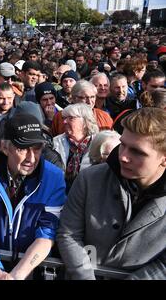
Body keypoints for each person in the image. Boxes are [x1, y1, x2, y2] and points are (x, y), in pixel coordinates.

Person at [57, 108, 166, 280]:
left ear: (164, 158)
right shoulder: (90, 178)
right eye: (123, 144)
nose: (123, 156)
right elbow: (69, 234)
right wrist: (85, 276)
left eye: (137, 152)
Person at [0, 114, 66, 280]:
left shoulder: (54, 178)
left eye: (37, 148)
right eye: (22, 149)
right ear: (4, 147)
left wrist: (17, 275)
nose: (31, 158)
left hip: (31, 271)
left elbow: (48, 232)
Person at [53, 103, 98, 191]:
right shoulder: (55, 143)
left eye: (71, 118)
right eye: (64, 118)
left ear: (85, 122)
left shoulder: (99, 143)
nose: (64, 122)